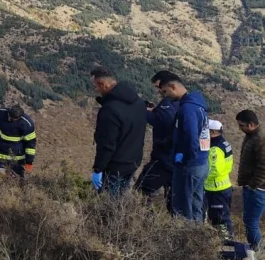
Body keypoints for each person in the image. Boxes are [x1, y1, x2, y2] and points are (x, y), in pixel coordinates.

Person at [90, 67, 147, 197]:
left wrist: (98, 169)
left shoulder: (110, 110)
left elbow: (107, 145)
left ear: (102, 84)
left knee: (108, 205)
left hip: (115, 167)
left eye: (95, 87)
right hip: (133, 162)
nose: (96, 91)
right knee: (121, 202)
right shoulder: (138, 102)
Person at [159, 77, 209, 221]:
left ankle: (184, 239)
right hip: (201, 161)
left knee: (182, 206)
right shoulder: (198, 105)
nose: (165, 96)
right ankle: (197, 238)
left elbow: (191, 137)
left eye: (165, 91)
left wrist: (185, 159)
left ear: (173, 86)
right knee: (195, 204)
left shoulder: (187, 109)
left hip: (190, 165)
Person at [136, 69, 179, 210]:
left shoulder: (168, 102)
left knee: (141, 192)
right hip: (176, 161)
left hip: (164, 159)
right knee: (174, 201)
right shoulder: (183, 102)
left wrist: (146, 113)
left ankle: (146, 223)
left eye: (158, 86)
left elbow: (163, 121)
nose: (158, 90)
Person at [0, 103, 37, 186]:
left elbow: (31, 145)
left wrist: (29, 162)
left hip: (17, 160)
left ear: (19, 118)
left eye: (12, 118)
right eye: (9, 116)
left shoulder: (27, 124)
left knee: (16, 182)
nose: (9, 119)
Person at [236, 109, 265, 251]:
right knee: (250, 221)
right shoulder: (251, 136)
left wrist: (253, 185)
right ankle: (256, 250)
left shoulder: (260, 139)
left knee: (251, 222)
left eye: (242, 125)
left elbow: (263, 166)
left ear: (251, 124)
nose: (239, 128)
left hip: (257, 189)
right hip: (251, 187)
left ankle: (257, 252)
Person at [204, 119, 234, 237]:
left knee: (220, 219)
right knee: (220, 217)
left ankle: (227, 242)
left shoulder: (214, 148)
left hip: (216, 188)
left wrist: (201, 177)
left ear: (212, 132)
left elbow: (214, 169)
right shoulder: (224, 143)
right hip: (223, 186)